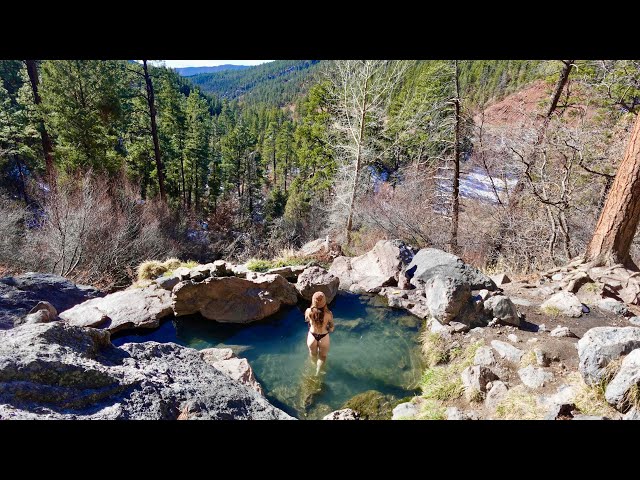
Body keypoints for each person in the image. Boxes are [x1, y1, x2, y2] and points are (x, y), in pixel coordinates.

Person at [305, 291, 335, 375]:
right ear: (324, 302)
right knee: (322, 357)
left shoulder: (308, 311)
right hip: (324, 337)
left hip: (312, 337)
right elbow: (332, 328)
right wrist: (328, 328)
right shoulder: (329, 314)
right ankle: (317, 372)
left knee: (313, 354)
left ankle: (313, 368)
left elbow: (307, 320)